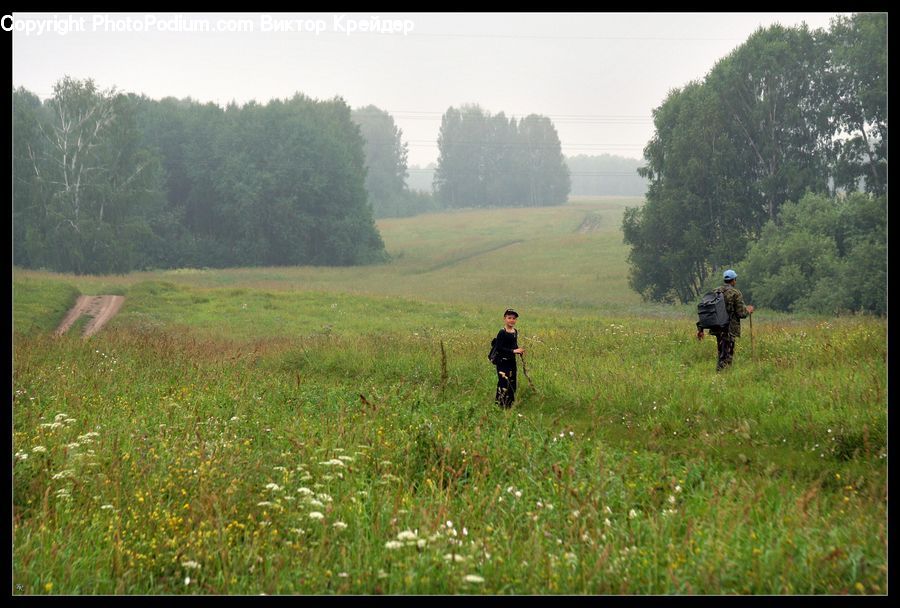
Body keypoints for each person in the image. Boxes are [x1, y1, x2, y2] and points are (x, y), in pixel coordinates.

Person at [697, 269, 754, 371]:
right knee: (727, 354)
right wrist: (748, 310)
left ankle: (721, 374)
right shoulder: (735, 293)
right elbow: (741, 313)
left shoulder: (716, 291)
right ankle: (722, 375)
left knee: (721, 351)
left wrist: (700, 329)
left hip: (717, 326)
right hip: (729, 328)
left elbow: (707, 310)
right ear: (733, 280)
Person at [492, 308, 525, 408]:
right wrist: (513, 351)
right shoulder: (502, 332)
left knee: (512, 383)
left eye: (514, 318)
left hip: (512, 362)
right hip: (502, 362)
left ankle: (509, 405)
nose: (512, 320)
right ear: (504, 319)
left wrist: (518, 350)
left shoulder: (515, 331)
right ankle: (500, 405)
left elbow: (513, 345)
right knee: (503, 383)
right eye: (509, 318)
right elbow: (499, 348)